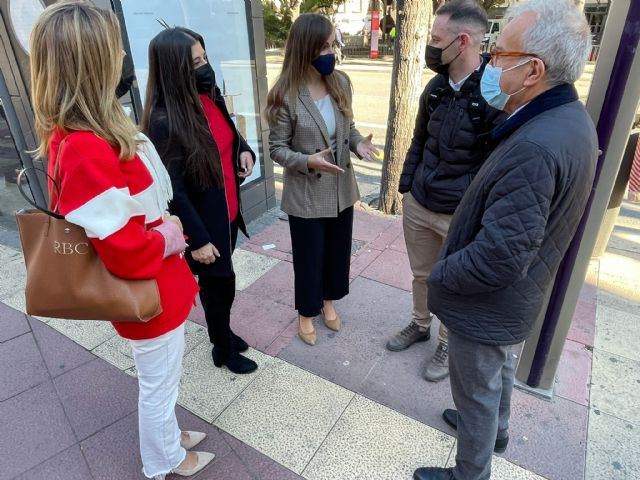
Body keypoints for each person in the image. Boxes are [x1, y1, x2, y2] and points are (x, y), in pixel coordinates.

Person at [29, 2, 215, 478]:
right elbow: (125, 250)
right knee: (158, 386)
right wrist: (171, 234)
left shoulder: (89, 132)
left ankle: (168, 437)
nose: (123, 57)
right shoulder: (85, 146)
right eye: (114, 48)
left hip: (158, 288)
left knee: (164, 381)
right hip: (149, 293)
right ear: (92, 62)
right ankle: (164, 459)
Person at [413, 1, 596, 479]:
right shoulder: (565, 118)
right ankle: (496, 432)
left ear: (533, 70)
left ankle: (469, 472)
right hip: (515, 296)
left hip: (489, 302)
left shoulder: (537, 144)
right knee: (500, 371)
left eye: (499, 55)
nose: (490, 65)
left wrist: (442, 276)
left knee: (475, 390)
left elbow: (498, 256)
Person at [385, 0, 504, 382]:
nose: (430, 46)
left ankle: (447, 342)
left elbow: (496, 162)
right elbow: (419, 140)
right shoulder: (435, 88)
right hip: (420, 203)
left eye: (437, 39)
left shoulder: (494, 93)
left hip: (460, 214)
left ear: (463, 41)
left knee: (454, 282)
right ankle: (420, 324)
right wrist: (406, 189)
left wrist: (475, 211)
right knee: (421, 275)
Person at [142, 27, 258, 374]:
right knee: (221, 285)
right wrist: (198, 240)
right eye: (196, 63)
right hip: (204, 225)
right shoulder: (164, 121)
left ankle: (221, 332)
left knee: (217, 283)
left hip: (228, 213)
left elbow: (229, 133)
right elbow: (172, 192)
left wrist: (244, 150)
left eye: (204, 57)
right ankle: (222, 347)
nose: (205, 67)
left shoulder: (208, 95)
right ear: (175, 70)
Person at [266, 13, 377, 346]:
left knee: (336, 253)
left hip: (341, 188)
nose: (331, 53)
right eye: (325, 46)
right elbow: (277, 148)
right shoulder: (285, 94)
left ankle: (328, 302)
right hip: (307, 193)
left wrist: (358, 144)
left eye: (333, 44)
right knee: (309, 258)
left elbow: (348, 127)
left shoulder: (339, 82)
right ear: (306, 48)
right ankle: (306, 312)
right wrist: (306, 161)